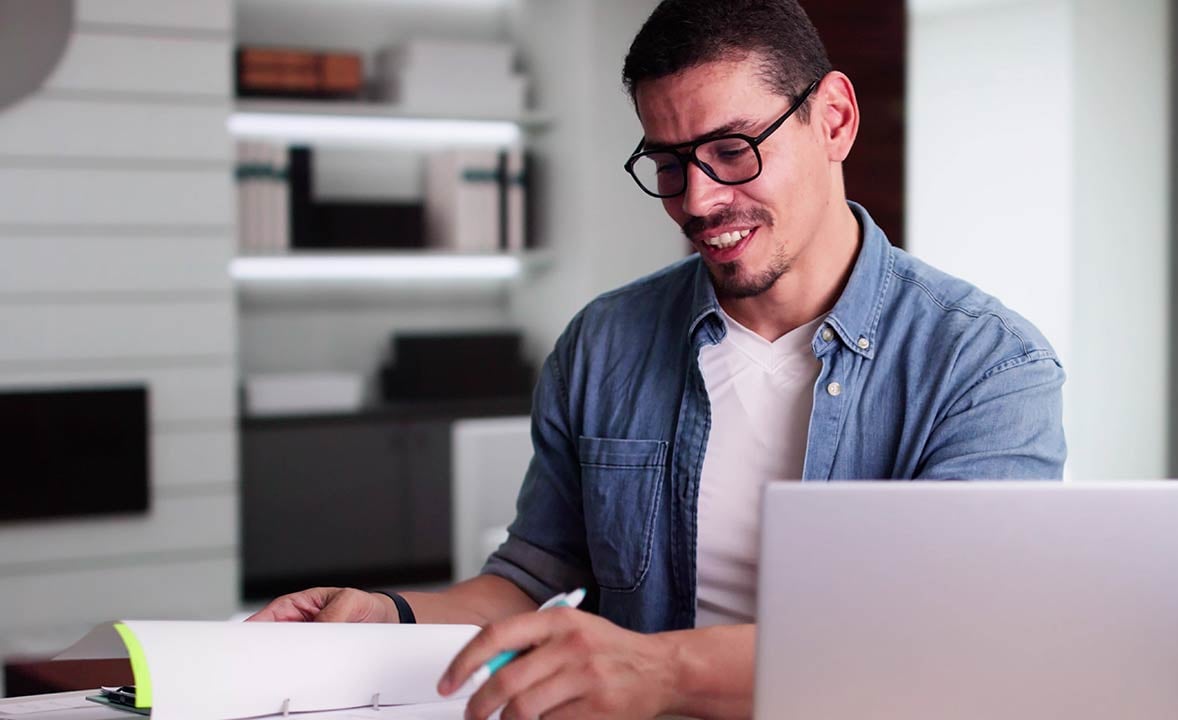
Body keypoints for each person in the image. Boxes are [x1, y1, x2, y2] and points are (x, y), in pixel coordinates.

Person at [249, 1, 1067, 718]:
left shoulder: (989, 366)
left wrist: (659, 671)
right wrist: (387, 616)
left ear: (835, 120)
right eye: (670, 164)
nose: (698, 201)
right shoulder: (603, 343)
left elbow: (949, 642)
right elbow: (529, 577)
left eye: (734, 149)